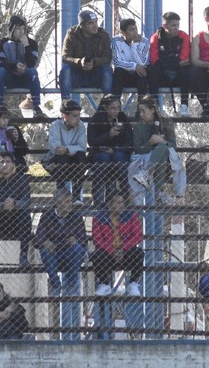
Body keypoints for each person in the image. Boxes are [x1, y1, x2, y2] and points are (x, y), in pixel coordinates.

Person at [34, 188, 88, 332]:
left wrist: (74, 240)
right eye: (66, 202)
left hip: (69, 254)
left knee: (77, 248)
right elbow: (38, 238)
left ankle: (70, 285)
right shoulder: (47, 216)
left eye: (70, 201)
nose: (70, 204)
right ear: (57, 203)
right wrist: (46, 242)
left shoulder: (76, 216)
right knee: (44, 249)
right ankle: (55, 284)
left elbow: (83, 240)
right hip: (54, 254)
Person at [91, 191, 143, 335]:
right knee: (96, 255)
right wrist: (113, 250)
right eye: (117, 202)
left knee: (138, 253)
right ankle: (105, 284)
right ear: (109, 204)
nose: (121, 205)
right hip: (109, 255)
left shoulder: (130, 215)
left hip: (125, 254)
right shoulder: (99, 217)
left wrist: (123, 249)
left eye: (122, 202)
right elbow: (97, 239)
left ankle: (133, 283)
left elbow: (138, 235)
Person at [129, 98, 186, 205]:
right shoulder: (138, 127)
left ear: (153, 110)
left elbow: (173, 146)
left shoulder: (167, 123)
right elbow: (137, 150)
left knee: (163, 148)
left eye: (143, 111)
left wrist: (162, 141)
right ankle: (158, 191)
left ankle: (147, 174)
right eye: (139, 111)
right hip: (143, 159)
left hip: (166, 161)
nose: (141, 114)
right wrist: (150, 142)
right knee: (161, 150)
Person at [0, 151, 32, 266]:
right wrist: (1, 205)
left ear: (13, 164)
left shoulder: (22, 179)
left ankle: (23, 256)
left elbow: (26, 201)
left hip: (16, 219)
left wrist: (14, 203)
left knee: (26, 213)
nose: (5, 164)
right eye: (2, 162)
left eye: (8, 162)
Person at [87, 94, 132, 201]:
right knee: (103, 157)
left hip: (118, 152)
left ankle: (125, 194)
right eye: (112, 108)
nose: (116, 111)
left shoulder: (123, 118)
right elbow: (92, 141)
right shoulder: (96, 119)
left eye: (118, 108)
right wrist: (108, 135)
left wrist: (115, 150)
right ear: (105, 108)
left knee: (119, 157)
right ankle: (97, 195)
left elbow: (129, 141)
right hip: (99, 153)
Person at [59, 9, 111, 101]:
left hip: (95, 74)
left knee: (107, 70)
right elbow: (65, 57)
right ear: (82, 25)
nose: (95, 25)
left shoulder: (103, 35)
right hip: (77, 74)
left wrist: (94, 62)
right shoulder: (72, 34)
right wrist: (79, 62)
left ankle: (109, 104)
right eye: (91, 23)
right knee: (65, 70)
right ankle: (66, 105)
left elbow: (107, 58)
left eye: (96, 22)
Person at [147, 12, 193, 115]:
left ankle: (184, 105)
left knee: (185, 69)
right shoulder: (155, 38)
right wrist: (173, 61)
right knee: (151, 70)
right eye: (173, 25)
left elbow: (184, 57)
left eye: (177, 25)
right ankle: (154, 105)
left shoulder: (184, 36)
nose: (176, 28)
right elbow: (154, 60)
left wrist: (168, 61)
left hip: (178, 75)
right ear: (165, 26)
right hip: (162, 75)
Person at [0, 14, 42, 110]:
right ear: (12, 29)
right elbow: (0, 63)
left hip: (25, 77)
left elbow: (32, 63)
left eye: (23, 29)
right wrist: (15, 66)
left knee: (33, 72)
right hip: (10, 77)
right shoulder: (2, 42)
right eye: (18, 29)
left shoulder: (32, 43)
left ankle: (36, 106)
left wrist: (26, 46)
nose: (21, 32)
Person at [44, 99, 90, 197]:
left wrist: (67, 150)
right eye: (74, 115)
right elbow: (55, 147)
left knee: (81, 157)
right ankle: (61, 195)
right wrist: (68, 150)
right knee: (62, 159)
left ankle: (77, 195)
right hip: (57, 160)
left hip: (74, 161)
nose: (78, 118)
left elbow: (82, 147)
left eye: (79, 115)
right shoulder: (55, 125)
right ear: (65, 116)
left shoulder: (81, 126)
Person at [109, 18, 152, 104]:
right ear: (123, 32)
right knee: (118, 71)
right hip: (123, 77)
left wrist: (134, 44)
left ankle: (141, 107)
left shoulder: (145, 41)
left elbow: (142, 62)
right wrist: (134, 66)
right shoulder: (115, 41)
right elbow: (116, 62)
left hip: (138, 77)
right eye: (131, 30)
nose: (135, 32)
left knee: (143, 72)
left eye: (135, 28)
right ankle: (115, 105)